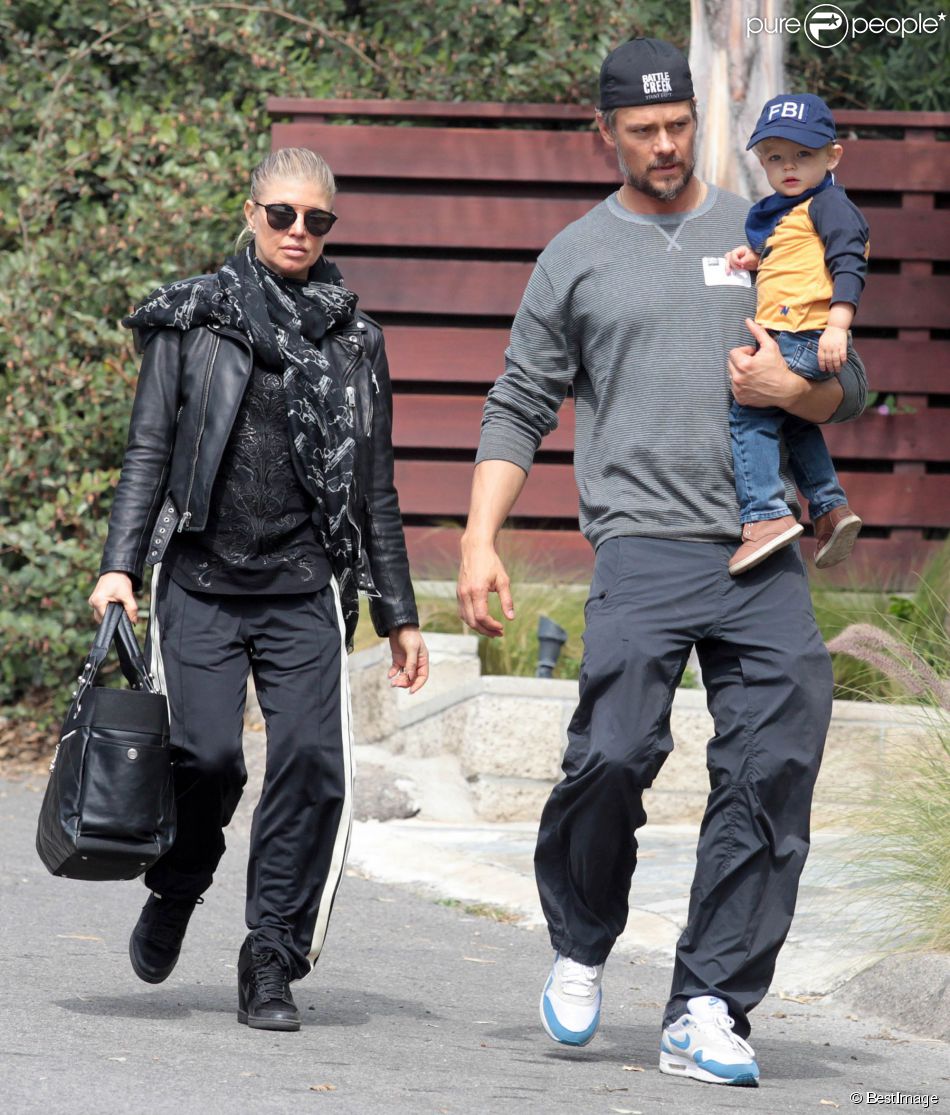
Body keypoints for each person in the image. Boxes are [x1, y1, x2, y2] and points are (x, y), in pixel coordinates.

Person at [456, 38, 867, 1087]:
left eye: (678, 124)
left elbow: (847, 379)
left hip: (758, 544)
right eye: (642, 130)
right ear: (605, 133)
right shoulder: (575, 256)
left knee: (774, 762)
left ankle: (706, 1003)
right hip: (640, 543)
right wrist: (477, 538)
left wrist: (795, 393)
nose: (665, 144)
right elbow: (517, 402)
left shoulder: (767, 225)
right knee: (610, 753)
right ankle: (581, 940)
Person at [89, 147, 428, 1033]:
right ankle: (178, 882)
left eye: (317, 219)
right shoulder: (194, 319)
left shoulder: (355, 341)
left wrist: (398, 611)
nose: (298, 232)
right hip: (201, 577)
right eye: (282, 214)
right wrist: (119, 565)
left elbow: (376, 487)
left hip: (303, 583)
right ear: (251, 213)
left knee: (312, 764)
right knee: (206, 759)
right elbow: (149, 451)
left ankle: (272, 952)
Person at [724, 93, 868, 575]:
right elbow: (796, 258)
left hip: (805, 332)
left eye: (803, 154)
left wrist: (838, 327)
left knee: (750, 410)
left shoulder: (830, 204)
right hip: (796, 329)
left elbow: (848, 263)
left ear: (833, 156)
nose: (788, 166)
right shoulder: (795, 209)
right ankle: (830, 508)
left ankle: (765, 515)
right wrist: (755, 260)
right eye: (775, 157)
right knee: (793, 419)